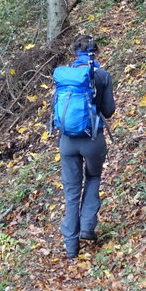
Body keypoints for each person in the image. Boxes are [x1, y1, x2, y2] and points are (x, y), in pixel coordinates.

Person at [56, 35, 115, 259]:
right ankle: (87, 227)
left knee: (71, 191)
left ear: (75, 53)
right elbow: (109, 110)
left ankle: (71, 247)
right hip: (92, 140)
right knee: (93, 177)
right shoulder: (102, 75)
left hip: (67, 141)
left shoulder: (64, 77)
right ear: (95, 52)